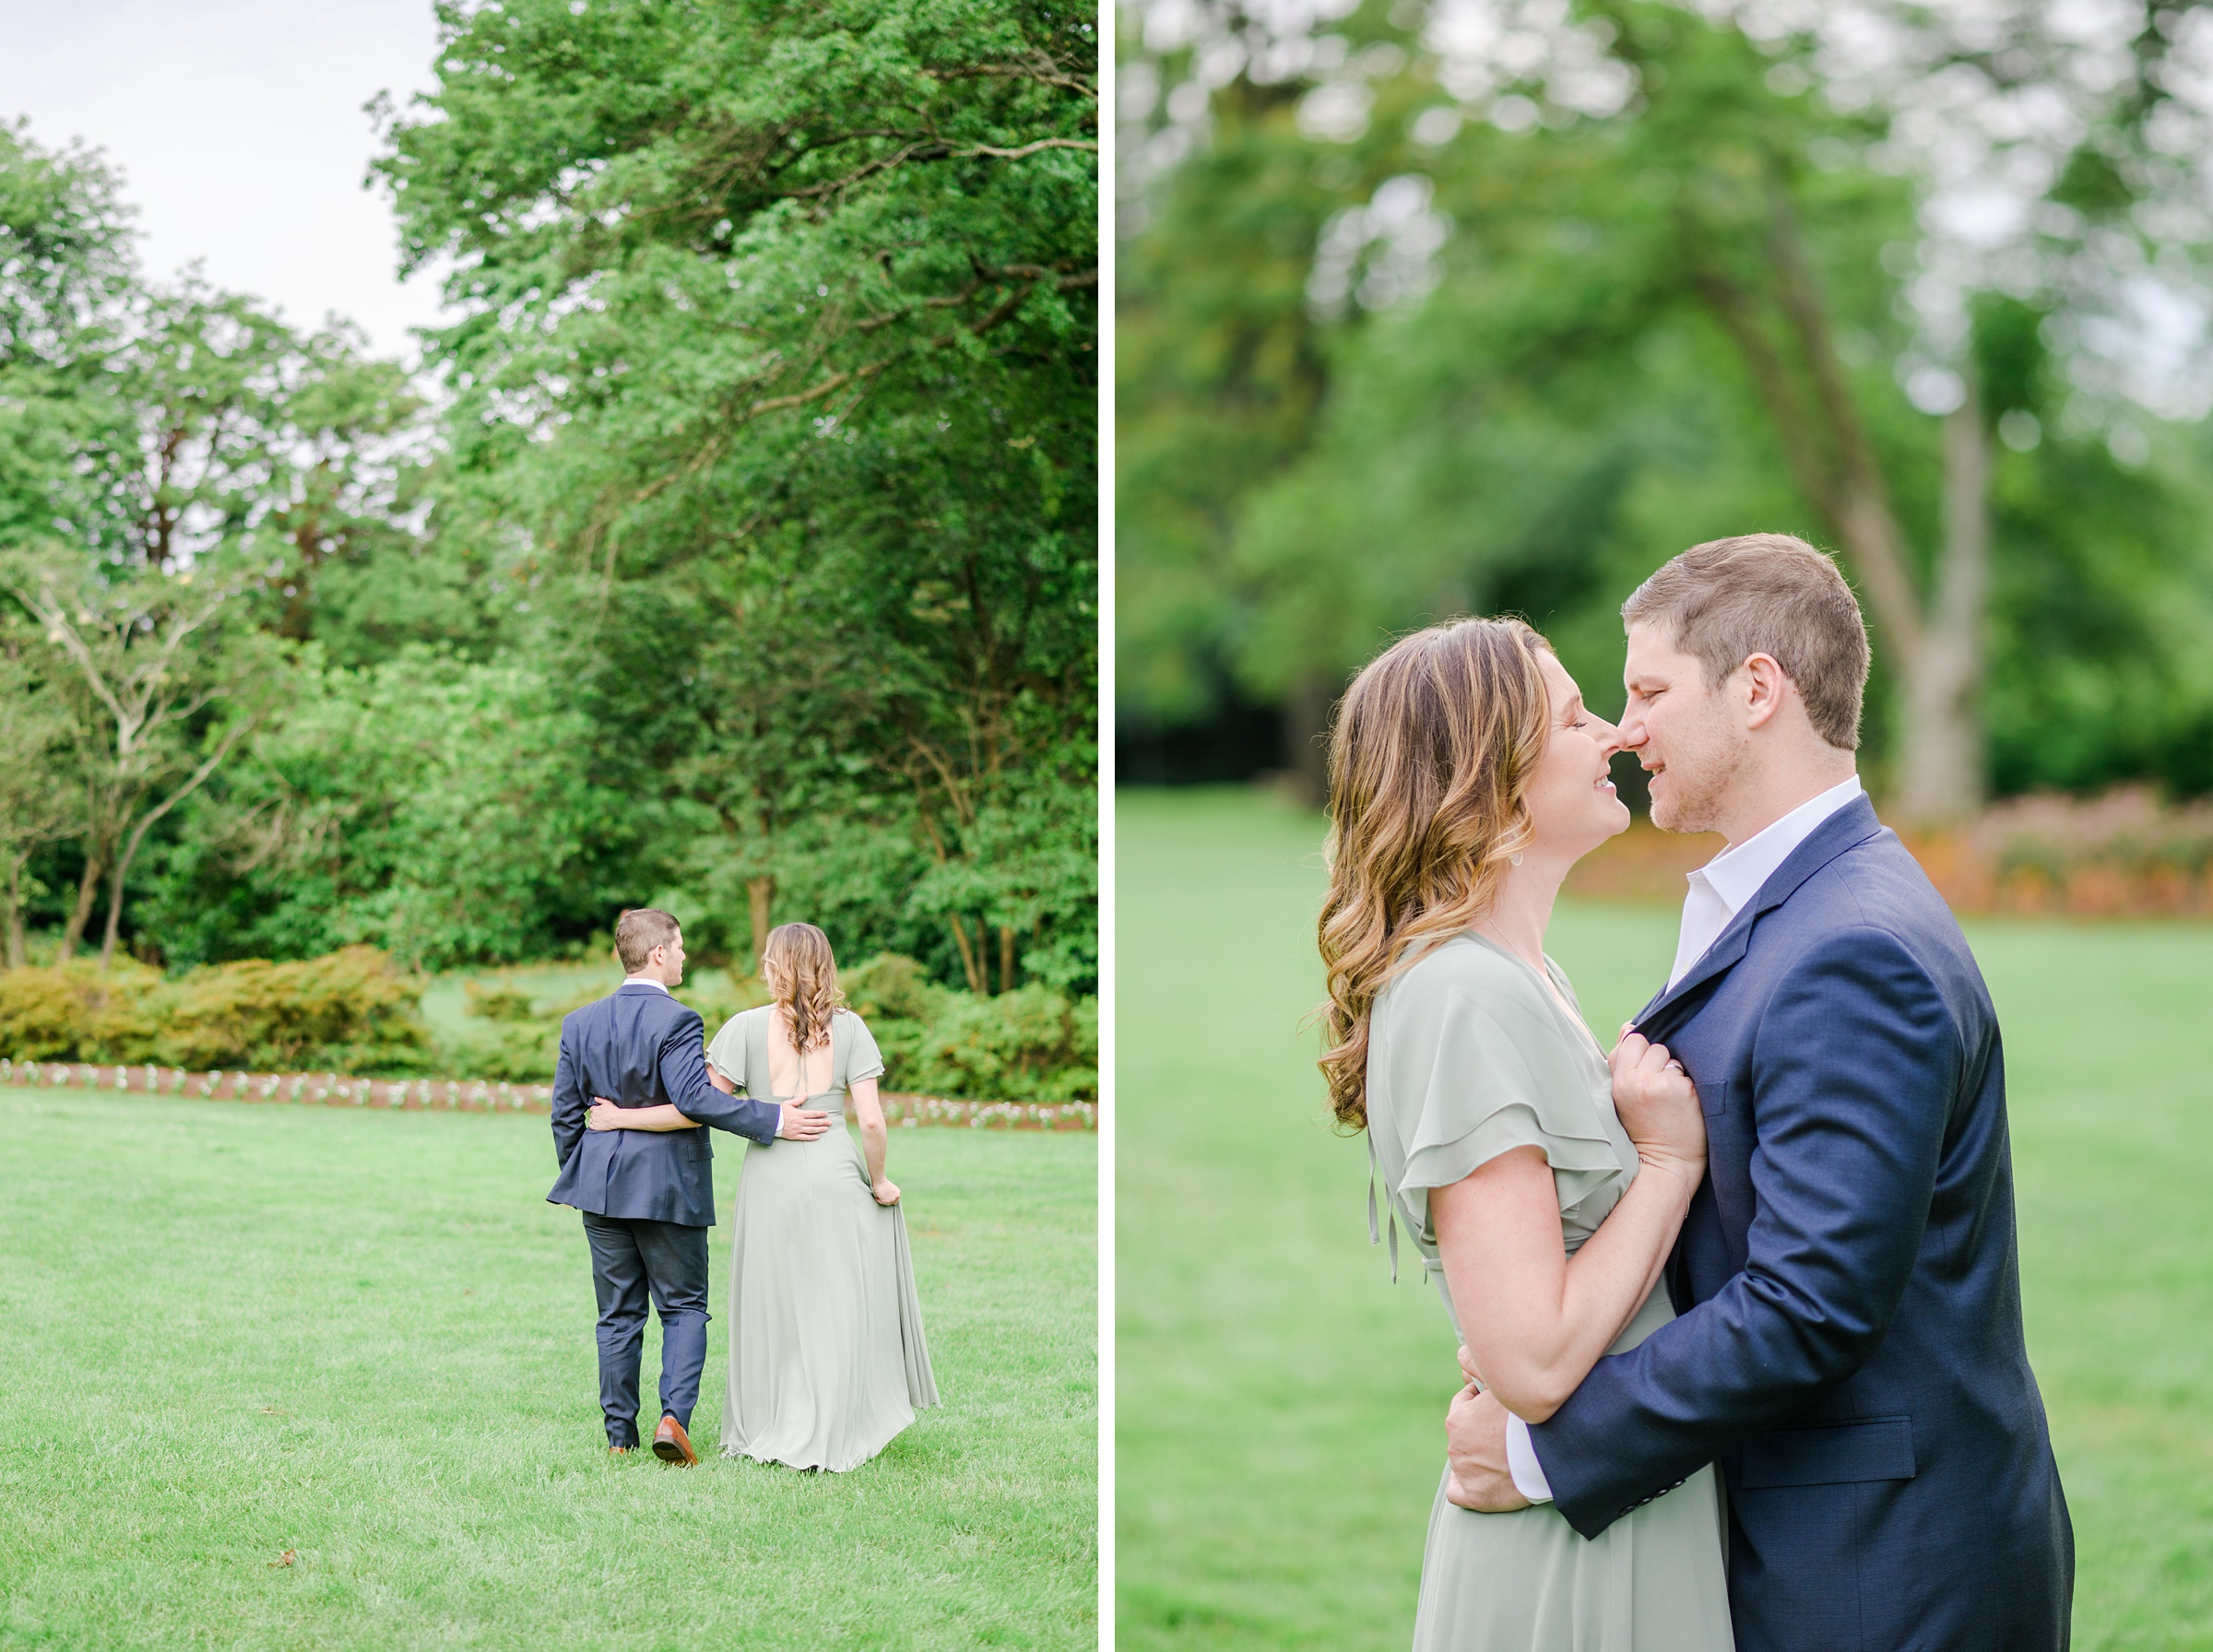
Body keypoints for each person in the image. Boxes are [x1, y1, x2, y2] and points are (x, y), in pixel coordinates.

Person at [1445, 536, 2073, 1652]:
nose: (1625, 727)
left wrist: (1549, 1445)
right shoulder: (1790, 900)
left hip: (1884, 1572)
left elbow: (1810, 1300)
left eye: (1647, 690)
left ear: (1757, 689)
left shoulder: (1854, 950)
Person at [1318, 615, 1734, 1650]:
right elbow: (1534, 1359)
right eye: (1574, 718)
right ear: (1488, 778)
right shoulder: (1461, 995)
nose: (1616, 736)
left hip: (1622, 1495)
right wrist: (1671, 1165)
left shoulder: (1526, 977)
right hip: (1571, 1547)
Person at [589, 920, 939, 1471]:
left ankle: (775, 1424)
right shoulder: (851, 1029)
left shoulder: (745, 1028)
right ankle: (832, 1429)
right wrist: (881, 1182)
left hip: (769, 1177)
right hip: (836, 1172)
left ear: (774, 965)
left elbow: (692, 1108)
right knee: (838, 1304)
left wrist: (618, 1117)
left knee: (772, 1305)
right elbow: (870, 1120)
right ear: (827, 965)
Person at [548, 906, 833, 1465]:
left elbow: (564, 1115)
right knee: (683, 1307)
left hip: (600, 1189)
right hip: (668, 1188)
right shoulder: (677, 1020)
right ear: (658, 954)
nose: (683, 956)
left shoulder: (579, 1023)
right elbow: (695, 1099)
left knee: (617, 1314)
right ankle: (673, 1420)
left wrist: (587, 1168)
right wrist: (773, 1119)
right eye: (678, 947)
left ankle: (618, 1438)